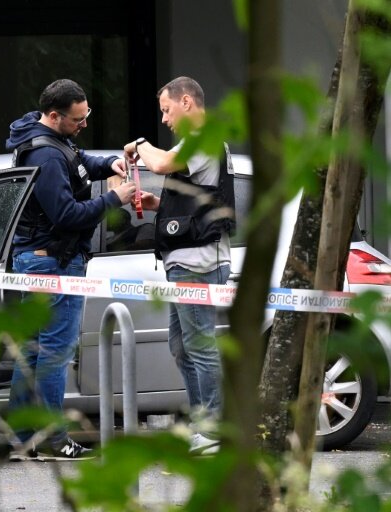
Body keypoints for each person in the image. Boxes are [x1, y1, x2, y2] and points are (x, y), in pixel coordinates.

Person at [6, 78, 136, 460]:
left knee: (32, 351)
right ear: (54, 115)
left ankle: (23, 435)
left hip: (39, 259)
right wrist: (114, 197)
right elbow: (66, 214)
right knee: (55, 353)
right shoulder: (44, 157)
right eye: (78, 119)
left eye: (86, 115)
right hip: (53, 263)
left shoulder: (45, 136)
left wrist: (108, 164)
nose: (83, 124)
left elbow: (77, 161)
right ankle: (53, 438)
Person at [123, 76, 235, 455]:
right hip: (187, 261)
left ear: (187, 102)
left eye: (166, 111)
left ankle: (213, 427)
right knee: (181, 346)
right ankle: (204, 421)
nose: (166, 120)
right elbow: (195, 196)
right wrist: (157, 204)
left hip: (197, 263)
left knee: (198, 345)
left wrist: (141, 144)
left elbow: (163, 162)